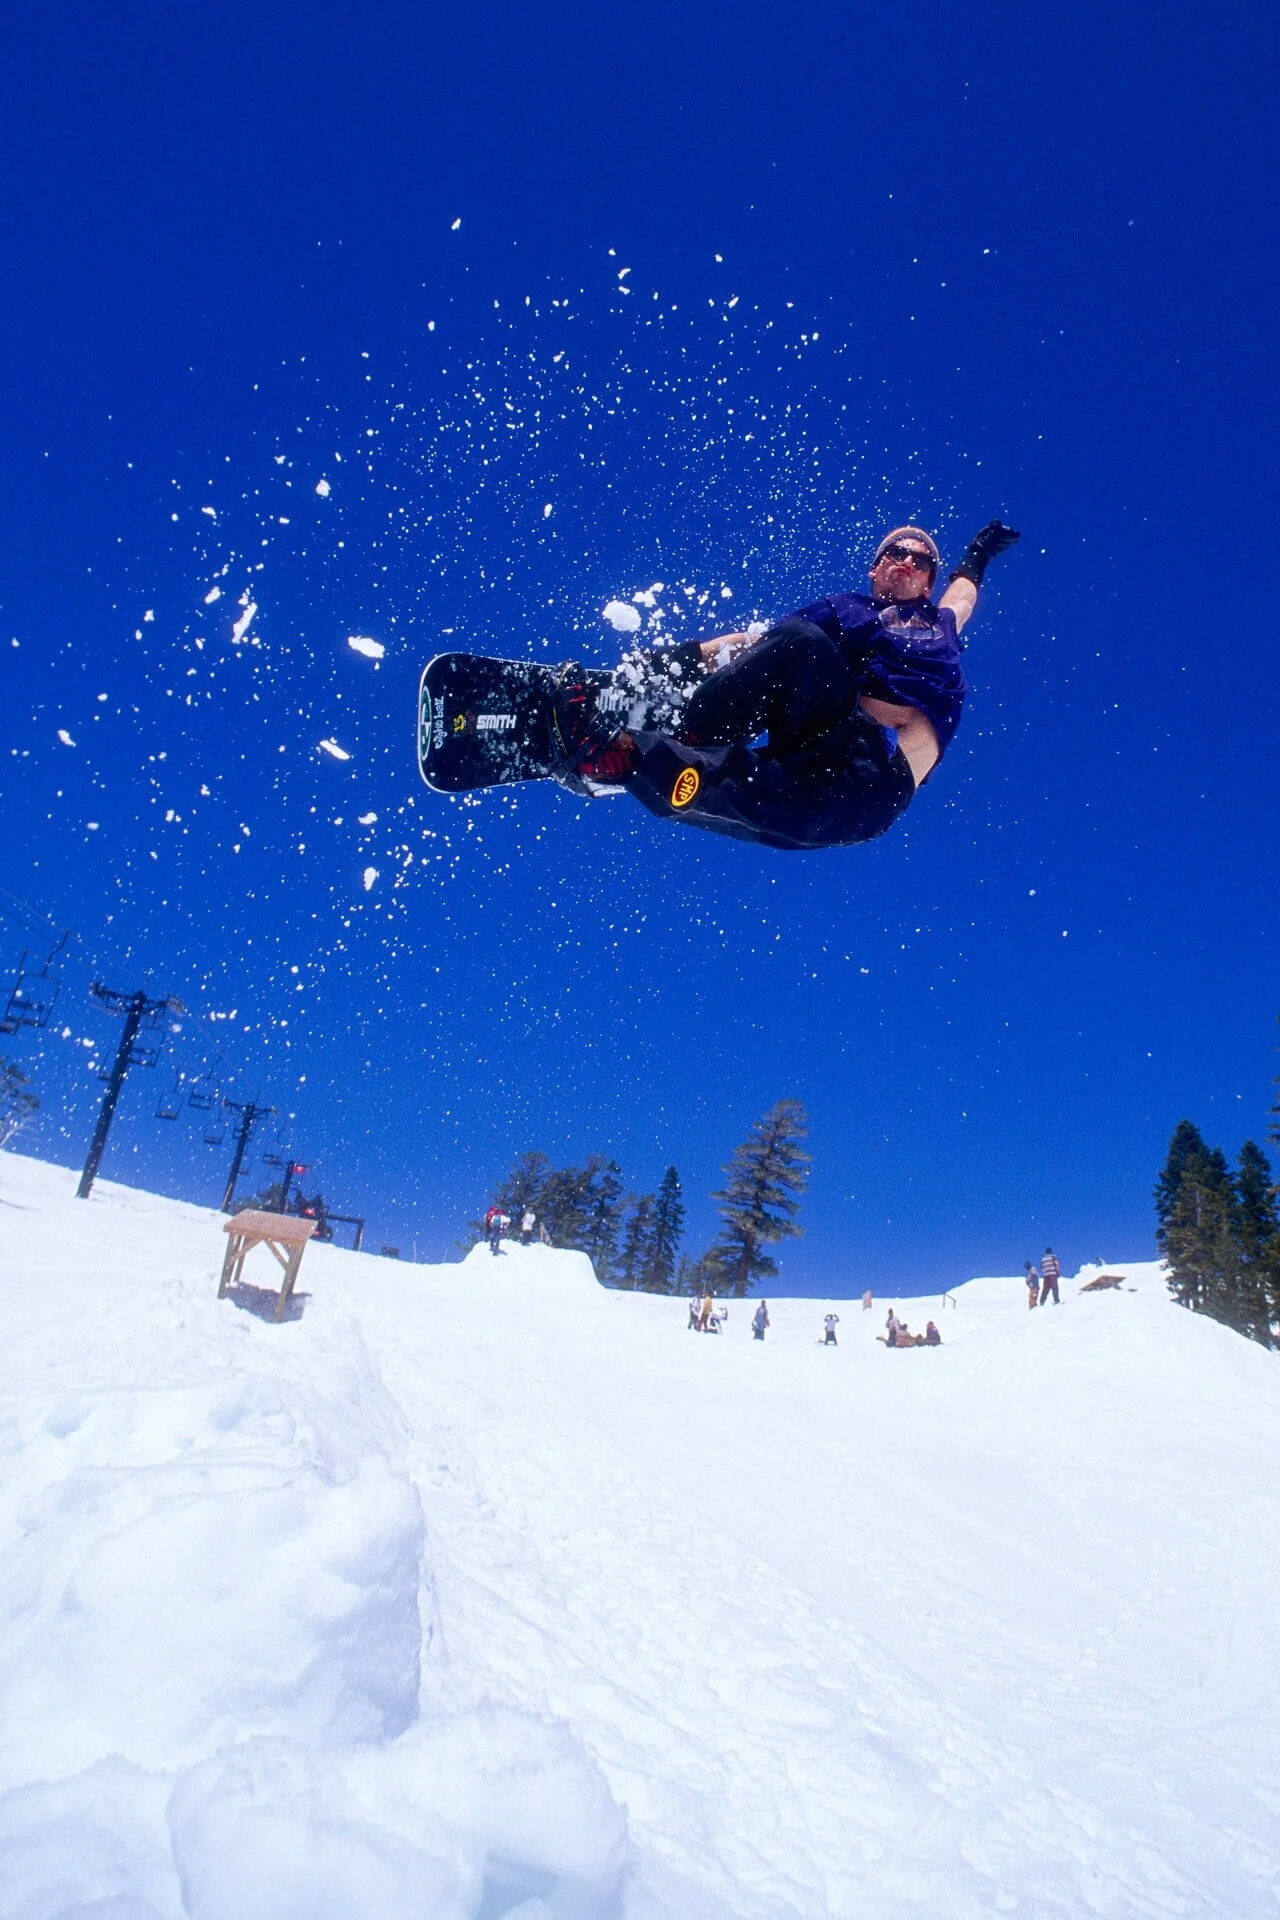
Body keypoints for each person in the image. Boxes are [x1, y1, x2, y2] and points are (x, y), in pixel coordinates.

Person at [552, 520, 1020, 852]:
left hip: (876, 789)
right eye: (895, 551)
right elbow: (753, 647)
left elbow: (964, 593)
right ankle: (668, 725)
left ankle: (631, 757)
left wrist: (978, 553)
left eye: (920, 559)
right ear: (874, 569)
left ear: (929, 581)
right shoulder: (846, 611)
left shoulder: (942, 623)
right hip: (831, 741)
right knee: (799, 642)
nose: (907, 560)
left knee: (738, 788)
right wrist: (659, 665)